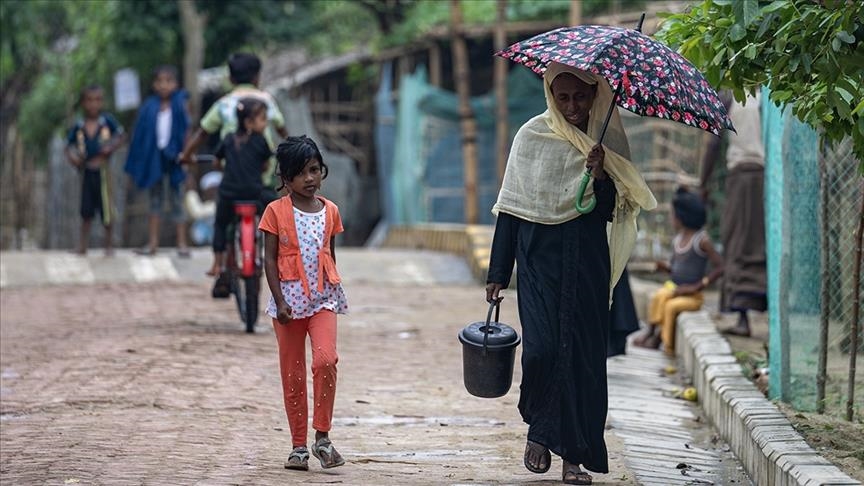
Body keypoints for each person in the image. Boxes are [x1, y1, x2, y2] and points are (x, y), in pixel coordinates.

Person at [485, 62, 656, 485]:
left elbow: (608, 211)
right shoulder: (530, 136)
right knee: (542, 352)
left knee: (582, 361)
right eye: (563, 97)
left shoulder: (606, 141)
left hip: (586, 263)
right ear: (550, 95)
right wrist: (497, 271)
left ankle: (573, 457)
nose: (572, 106)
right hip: (538, 261)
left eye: (581, 96)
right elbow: (511, 207)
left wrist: (600, 174)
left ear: (594, 95)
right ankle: (541, 429)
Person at [260, 135, 348, 472]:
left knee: (326, 360)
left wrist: (333, 286)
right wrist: (279, 301)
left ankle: (322, 436)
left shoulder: (331, 211)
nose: (309, 178)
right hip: (288, 308)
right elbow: (269, 260)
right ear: (285, 178)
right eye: (301, 173)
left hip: (324, 302)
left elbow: (330, 253)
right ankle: (298, 446)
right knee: (292, 373)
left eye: (314, 170)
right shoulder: (274, 212)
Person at [179, 52, 288, 205]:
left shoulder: (223, 104)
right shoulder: (266, 100)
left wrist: (186, 155)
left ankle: (224, 229)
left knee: (223, 218)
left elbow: (203, 133)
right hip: (261, 172)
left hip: (232, 172)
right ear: (257, 77)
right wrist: (291, 147)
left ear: (230, 79)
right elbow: (281, 129)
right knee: (271, 210)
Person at [700, 92, 767, 337]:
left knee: (738, 242)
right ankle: (754, 311)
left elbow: (713, 143)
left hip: (743, 176)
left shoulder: (731, 98)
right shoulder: (769, 98)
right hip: (768, 176)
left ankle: (742, 318)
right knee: (758, 242)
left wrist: (703, 182)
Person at [634, 188, 724, 355]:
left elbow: (721, 267)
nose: (671, 218)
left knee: (671, 307)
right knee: (659, 296)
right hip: (675, 289)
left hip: (692, 295)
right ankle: (650, 330)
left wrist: (698, 286)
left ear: (682, 216)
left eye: (672, 214)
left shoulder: (701, 240)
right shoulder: (678, 240)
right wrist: (665, 268)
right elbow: (677, 269)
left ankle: (664, 343)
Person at [124, 65, 191, 257]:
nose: (164, 85)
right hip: (154, 158)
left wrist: (186, 155)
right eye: (160, 81)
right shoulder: (148, 107)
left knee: (178, 199)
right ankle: (152, 243)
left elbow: (186, 131)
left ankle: (182, 243)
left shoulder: (180, 104)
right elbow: (140, 136)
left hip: (175, 157)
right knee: (155, 200)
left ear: (175, 84)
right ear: (154, 85)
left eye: (168, 81)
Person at [208, 98, 272, 285]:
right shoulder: (260, 141)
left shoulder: (228, 139)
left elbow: (216, 161)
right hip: (254, 193)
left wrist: (225, 168)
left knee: (220, 223)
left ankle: (217, 263)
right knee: (276, 212)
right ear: (249, 123)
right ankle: (276, 253)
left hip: (229, 194)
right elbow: (266, 164)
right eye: (262, 119)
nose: (265, 123)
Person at [65, 84, 125, 256]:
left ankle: (108, 246)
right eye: (89, 100)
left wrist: (111, 148)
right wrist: (74, 159)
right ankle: (82, 246)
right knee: (86, 211)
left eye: (97, 100)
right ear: (84, 103)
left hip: (103, 171)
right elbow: (67, 146)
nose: (93, 105)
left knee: (106, 209)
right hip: (86, 171)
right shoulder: (79, 125)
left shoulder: (107, 121)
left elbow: (121, 135)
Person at [185, 171, 222, 246]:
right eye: (212, 189)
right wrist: (191, 192)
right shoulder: (205, 205)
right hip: (201, 240)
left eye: (217, 188)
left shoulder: (224, 203)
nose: (215, 192)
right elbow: (197, 212)